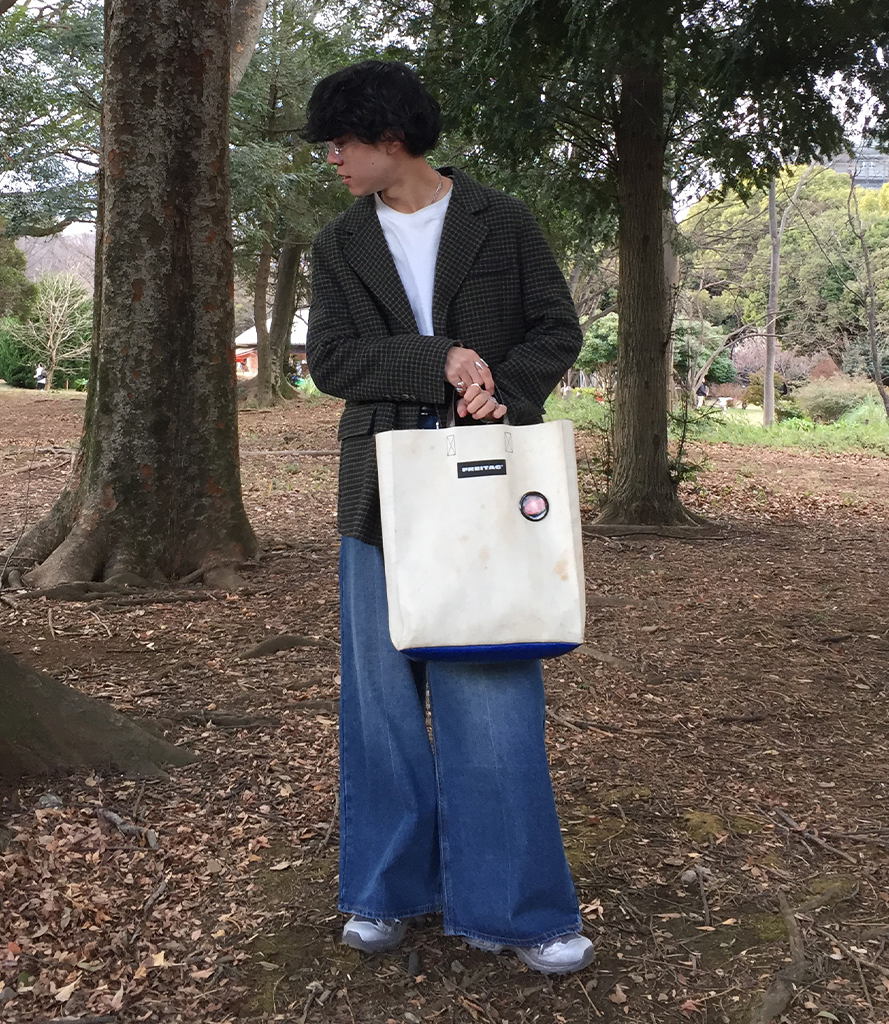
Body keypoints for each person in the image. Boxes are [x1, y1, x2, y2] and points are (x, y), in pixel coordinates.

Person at [303, 60, 592, 975]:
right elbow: (332, 360)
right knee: (381, 704)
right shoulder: (338, 243)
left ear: (391, 137)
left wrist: (502, 389)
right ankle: (386, 892)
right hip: (378, 494)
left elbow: (557, 328)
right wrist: (439, 359)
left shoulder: (501, 221)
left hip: (490, 487)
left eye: (342, 142)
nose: (333, 159)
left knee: (493, 693)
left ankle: (522, 909)